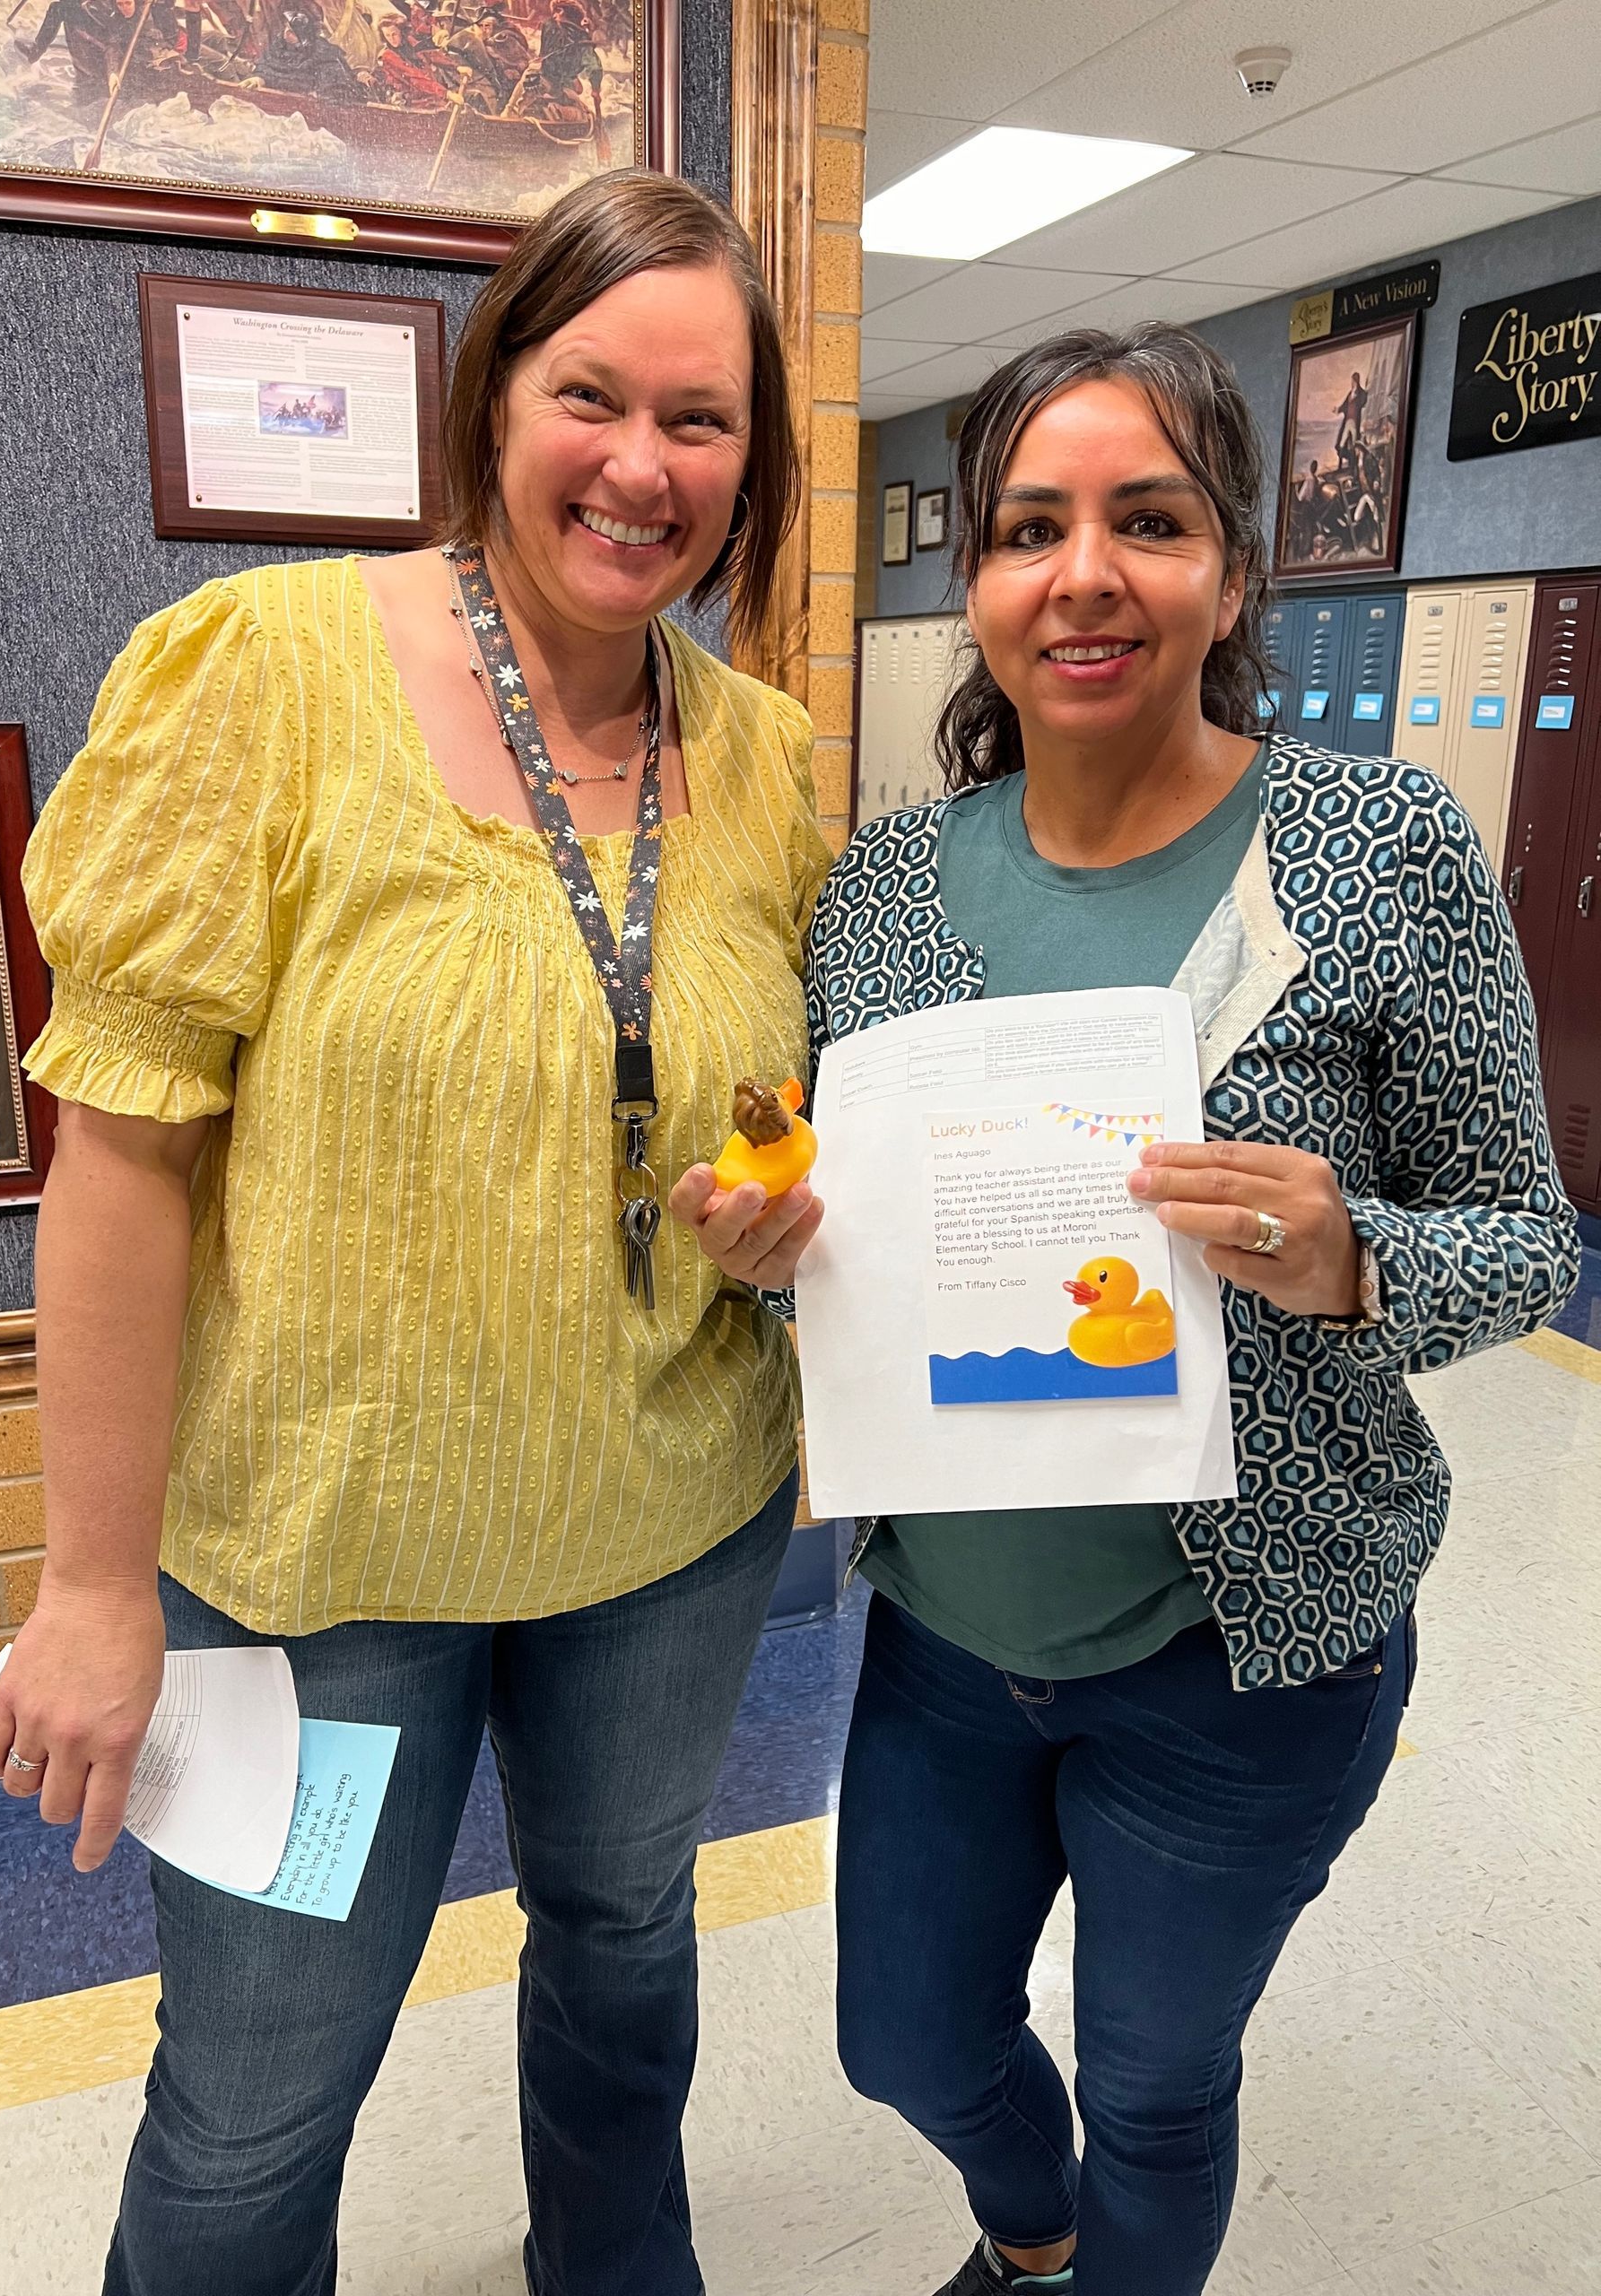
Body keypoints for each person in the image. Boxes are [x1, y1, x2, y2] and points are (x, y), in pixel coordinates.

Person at [0, 170, 825, 2296]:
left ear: (755, 464)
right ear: (494, 401)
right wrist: (90, 1578)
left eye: (702, 421)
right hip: (320, 1563)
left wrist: (779, 1205)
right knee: (261, 2085)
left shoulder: (772, 756)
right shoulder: (257, 674)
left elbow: (759, 1099)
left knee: (627, 1954)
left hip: (665, 1533)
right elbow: (121, 1151)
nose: (642, 467)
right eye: (592, 395)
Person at [673, 322, 1579, 2296]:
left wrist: (1356, 1256)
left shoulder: (1382, 849)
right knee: (900, 2037)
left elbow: (1525, 1228)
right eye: (1029, 526)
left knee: (1158, 2084)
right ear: (976, 587)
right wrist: (770, 1258)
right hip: (943, 1631)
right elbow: (860, 1258)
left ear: (1232, 572)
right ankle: (1035, 2238)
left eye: (1146, 519)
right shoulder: (887, 888)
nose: (1083, 572)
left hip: (1252, 1648)